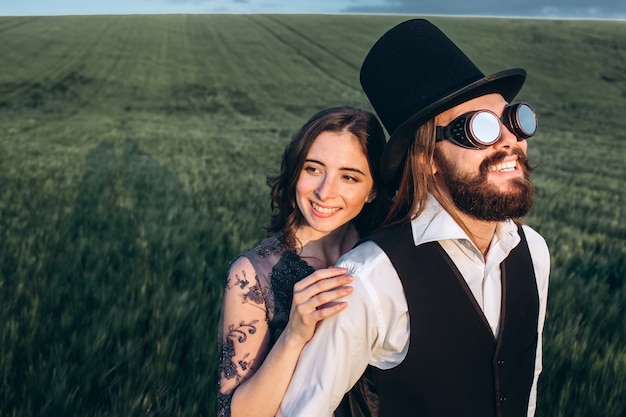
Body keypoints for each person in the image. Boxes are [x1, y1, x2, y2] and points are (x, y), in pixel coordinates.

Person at [278, 19, 550, 417]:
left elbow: (526, 382)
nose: (509, 140)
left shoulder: (534, 253)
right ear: (427, 160)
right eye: (479, 129)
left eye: (512, 119)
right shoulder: (372, 277)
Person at [217, 106, 389, 417]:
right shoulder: (251, 276)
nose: (325, 192)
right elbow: (235, 413)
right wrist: (294, 335)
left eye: (349, 177)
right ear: (295, 169)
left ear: (373, 190)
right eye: (313, 169)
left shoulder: (385, 258)